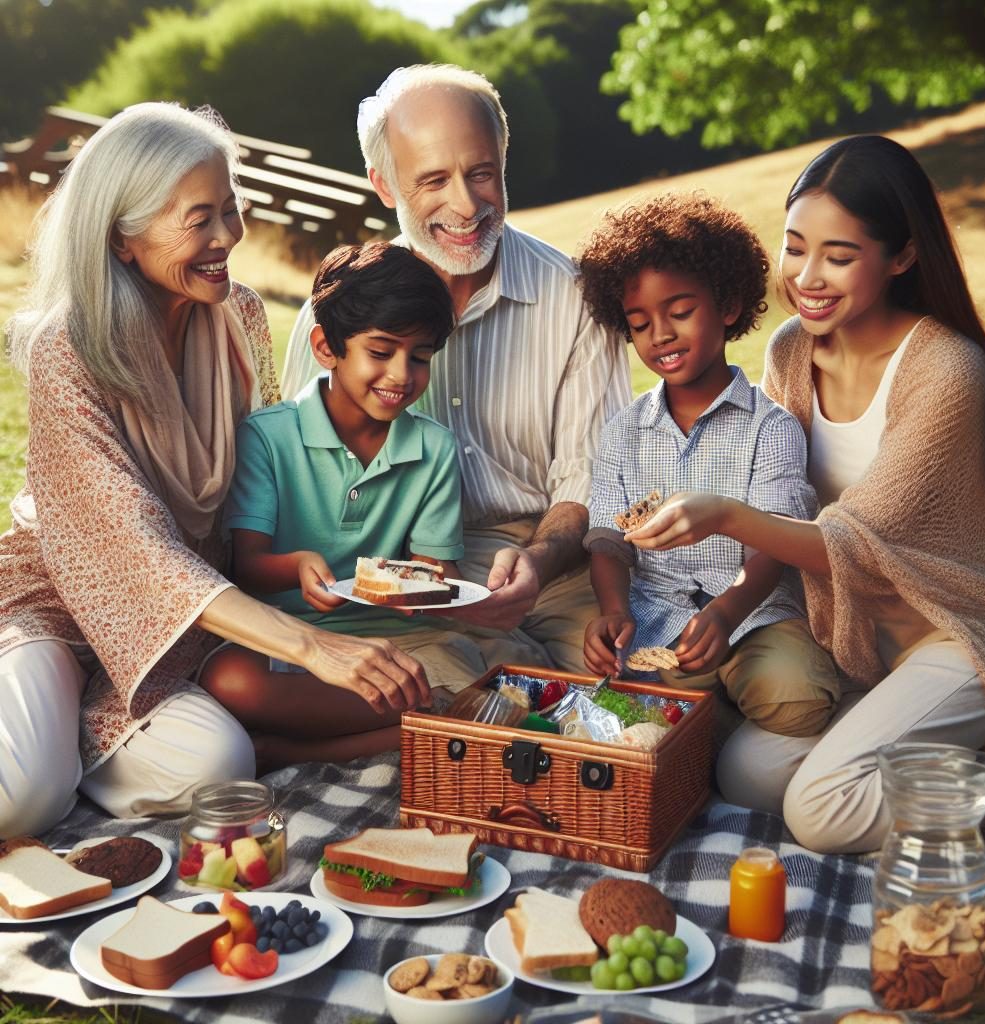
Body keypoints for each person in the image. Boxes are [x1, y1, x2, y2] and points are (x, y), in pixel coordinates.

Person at [0, 103, 427, 838]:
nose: (228, 237)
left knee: (220, 763)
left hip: (179, 627)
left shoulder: (240, 318)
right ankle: (43, 726)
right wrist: (308, 647)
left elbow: (255, 485)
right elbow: (131, 549)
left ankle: (65, 731)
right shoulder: (63, 350)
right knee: (24, 801)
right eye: (200, 219)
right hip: (59, 606)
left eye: (231, 210)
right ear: (123, 238)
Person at [625, 136, 985, 853]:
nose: (807, 276)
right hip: (854, 648)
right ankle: (933, 765)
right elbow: (777, 494)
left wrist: (721, 512)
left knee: (820, 810)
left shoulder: (947, 369)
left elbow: (851, 540)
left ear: (900, 257)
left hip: (952, 633)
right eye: (795, 247)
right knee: (742, 771)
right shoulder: (791, 350)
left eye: (839, 256)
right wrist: (723, 600)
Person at [281, 64, 632, 674]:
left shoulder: (576, 296)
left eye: (481, 174)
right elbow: (304, 486)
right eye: (434, 181)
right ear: (385, 186)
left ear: (503, 161)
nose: (466, 206)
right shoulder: (336, 313)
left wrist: (540, 561)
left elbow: (591, 473)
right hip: (401, 575)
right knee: (476, 690)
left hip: (551, 559)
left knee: (637, 686)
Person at [204, 242, 493, 768]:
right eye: (380, 352)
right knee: (229, 679)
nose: (402, 375)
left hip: (399, 644)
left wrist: (423, 587)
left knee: (469, 679)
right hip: (293, 642)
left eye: (421, 357)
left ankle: (288, 751)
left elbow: (439, 571)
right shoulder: (268, 438)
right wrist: (296, 566)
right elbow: (247, 566)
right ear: (325, 347)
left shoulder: (433, 449)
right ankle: (425, 724)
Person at [577, 192, 839, 737]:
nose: (662, 336)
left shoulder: (770, 427)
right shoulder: (625, 431)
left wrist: (725, 612)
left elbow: (773, 541)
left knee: (798, 698)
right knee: (624, 713)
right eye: (640, 324)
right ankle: (707, 728)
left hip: (753, 614)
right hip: (656, 618)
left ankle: (718, 721)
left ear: (726, 306)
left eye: (679, 312)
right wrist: (612, 609)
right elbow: (606, 536)